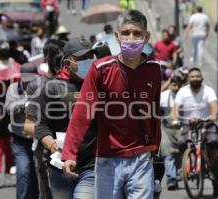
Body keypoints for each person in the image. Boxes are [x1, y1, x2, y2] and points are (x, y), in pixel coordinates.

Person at [62, 10, 161, 199]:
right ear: (117, 36)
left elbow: (154, 110)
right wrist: (70, 153)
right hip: (108, 159)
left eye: (137, 33)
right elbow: (82, 113)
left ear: (146, 37)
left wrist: (155, 146)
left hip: (141, 159)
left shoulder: (154, 69)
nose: (131, 38)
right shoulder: (101, 69)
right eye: (126, 33)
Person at [27, 37, 97, 199]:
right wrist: (52, 145)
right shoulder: (50, 88)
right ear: (67, 63)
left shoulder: (98, 86)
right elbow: (40, 124)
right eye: (82, 58)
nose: (88, 62)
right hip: (58, 166)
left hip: (90, 166)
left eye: (90, 57)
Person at [172, 67, 218, 197]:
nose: (195, 78)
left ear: (202, 78)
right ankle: (184, 167)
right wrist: (174, 118)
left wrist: (213, 115)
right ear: (188, 79)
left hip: (206, 123)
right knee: (181, 142)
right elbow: (175, 108)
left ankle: (210, 168)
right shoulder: (182, 92)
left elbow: (214, 107)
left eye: (197, 76)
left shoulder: (209, 91)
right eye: (192, 77)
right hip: (188, 124)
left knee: (214, 141)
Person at [5, 64, 40, 199]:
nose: (28, 82)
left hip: (37, 138)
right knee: (23, 170)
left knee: (37, 173)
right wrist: (25, 103)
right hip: (19, 138)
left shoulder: (42, 88)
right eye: (25, 79)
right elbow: (8, 109)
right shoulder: (13, 89)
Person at [159, 76, 183, 190]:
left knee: (179, 154)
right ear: (170, 84)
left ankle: (177, 174)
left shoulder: (184, 96)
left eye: (178, 86)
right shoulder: (163, 96)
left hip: (181, 129)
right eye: (174, 85)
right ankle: (171, 179)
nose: (176, 88)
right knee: (169, 154)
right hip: (166, 129)